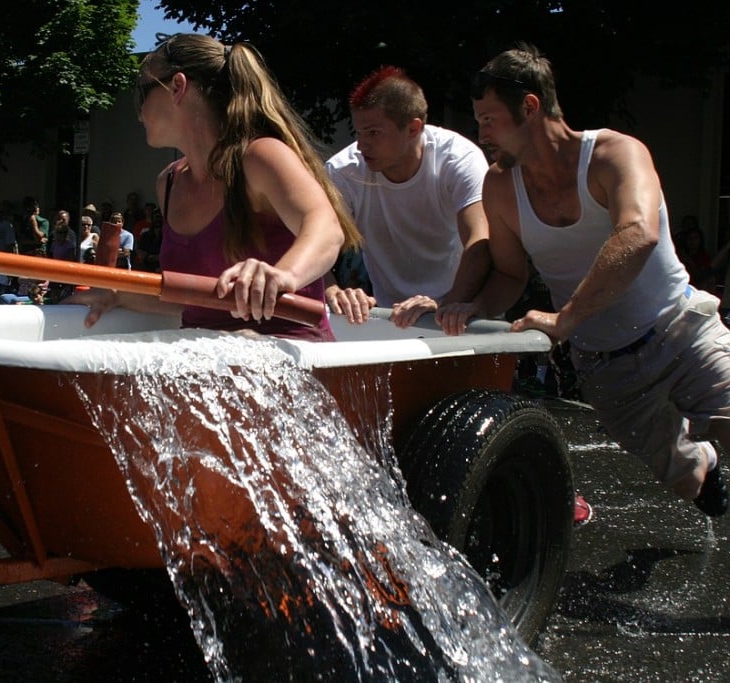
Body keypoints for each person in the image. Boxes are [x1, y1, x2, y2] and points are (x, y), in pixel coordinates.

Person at [439, 42, 730, 518]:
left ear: (530, 107)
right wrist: (473, 306)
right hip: (606, 364)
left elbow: (637, 234)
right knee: (688, 482)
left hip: (679, 330)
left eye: (489, 119)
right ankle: (699, 461)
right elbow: (511, 275)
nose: (481, 132)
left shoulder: (614, 154)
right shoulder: (499, 186)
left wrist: (566, 317)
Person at [65, 33, 359, 342]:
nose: (138, 112)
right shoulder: (168, 183)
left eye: (142, 93)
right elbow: (195, 300)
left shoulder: (260, 157)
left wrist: (283, 275)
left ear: (177, 87)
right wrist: (118, 295)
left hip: (290, 363)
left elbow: (326, 230)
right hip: (206, 367)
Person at [324, 66, 491, 328]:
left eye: (374, 133)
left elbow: (480, 241)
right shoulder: (343, 171)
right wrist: (333, 291)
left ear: (413, 128)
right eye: (358, 132)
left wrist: (446, 306)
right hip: (391, 318)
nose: (361, 145)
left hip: (461, 314)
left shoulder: (458, 158)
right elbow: (313, 242)